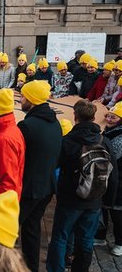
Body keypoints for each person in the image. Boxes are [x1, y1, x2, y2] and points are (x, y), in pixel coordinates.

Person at [47, 99, 118, 272]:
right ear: (94, 117)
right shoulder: (103, 141)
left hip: (70, 198)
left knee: (60, 237)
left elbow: (53, 166)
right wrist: (108, 201)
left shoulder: (68, 141)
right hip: (94, 200)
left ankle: (56, 268)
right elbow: (113, 174)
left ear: (75, 116)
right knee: (86, 239)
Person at [17, 80, 62, 272]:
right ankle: (31, 267)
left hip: (29, 188)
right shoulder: (55, 123)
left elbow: (16, 159)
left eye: (23, 96)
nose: (20, 99)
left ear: (32, 100)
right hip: (46, 187)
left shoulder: (27, 125)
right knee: (31, 230)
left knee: (7, 230)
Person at [94, 102, 122, 255]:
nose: (109, 119)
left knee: (117, 213)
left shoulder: (119, 136)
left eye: (114, 117)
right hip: (107, 177)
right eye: (109, 116)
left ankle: (119, 243)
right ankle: (100, 236)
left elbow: (112, 156)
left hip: (118, 180)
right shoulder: (109, 131)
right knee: (103, 207)